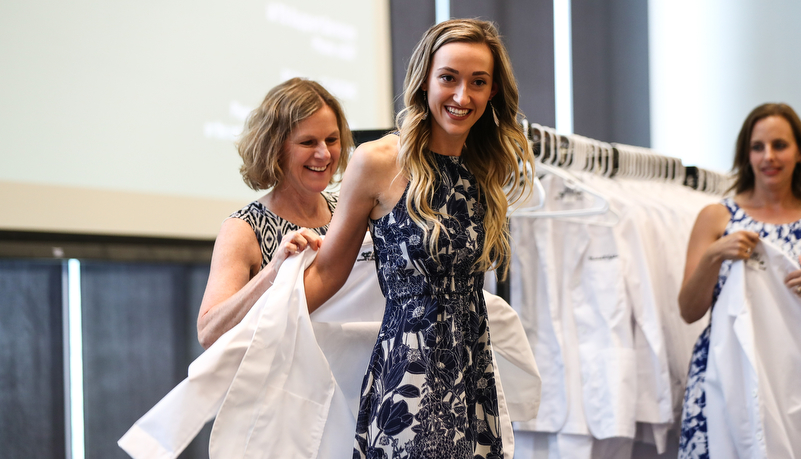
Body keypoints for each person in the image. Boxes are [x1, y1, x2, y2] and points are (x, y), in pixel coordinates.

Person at [285, 19, 534, 459]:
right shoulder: (378, 161)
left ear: (493, 91)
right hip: (409, 379)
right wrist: (262, 319)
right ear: (425, 81)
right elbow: (328, 273)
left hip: (473, 374)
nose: (462, 96)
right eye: (448, 78)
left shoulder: (486, 167)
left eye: (478, 82)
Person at [677, 102, 801, 457]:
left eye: (780, 145)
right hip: (725, 367)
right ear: (746, 154)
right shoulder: (717, 217)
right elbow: (688, 310)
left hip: (792, 373)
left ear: (798, 151)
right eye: (757, 147)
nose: (768, 157)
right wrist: (715, 255)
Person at [196, 77, 353, 349]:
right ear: (275, 148)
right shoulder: (244, 228)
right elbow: (209, 333)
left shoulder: (349, 211)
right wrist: (274, 269)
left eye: (332, 140)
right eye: (308, 142)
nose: (324, 154)